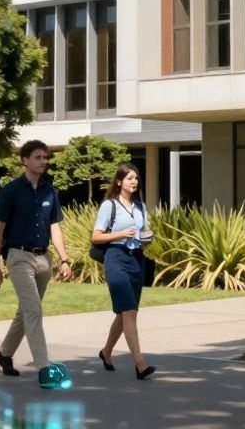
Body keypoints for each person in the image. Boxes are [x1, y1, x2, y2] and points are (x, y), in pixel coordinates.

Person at [0, 139, 73, 387]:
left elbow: (54, 227)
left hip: (43, 258)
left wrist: (64, 259)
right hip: (18, 257)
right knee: (34, 311)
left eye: (45, 157)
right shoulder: (11, 191)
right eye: (38, 157)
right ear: (24, 160)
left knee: (26, 311)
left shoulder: (50, 192)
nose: (43, 161)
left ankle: (4, 354)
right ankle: (44, 368)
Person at [91, 163, 155, 380]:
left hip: (137, 259)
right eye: (129, 178)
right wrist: (120, 234)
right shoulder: (109, 205)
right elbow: (96, 236)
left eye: (136, 178)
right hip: (116, 259)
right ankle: (140, 364)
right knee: (129, 312)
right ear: (119, 181)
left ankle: (106, 352)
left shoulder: (140, 206)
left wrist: (146, 237)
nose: (134, 181)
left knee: (125, 312)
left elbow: (143, 232)